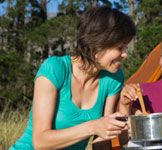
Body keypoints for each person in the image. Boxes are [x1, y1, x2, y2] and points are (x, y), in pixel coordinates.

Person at [10, 6, 136, 150]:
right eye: (120, 48)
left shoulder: (113, 78)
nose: (125, 54)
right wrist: (93, 126)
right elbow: (40, 142)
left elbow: (102, 141)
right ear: (98, 44)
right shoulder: (55, 69)